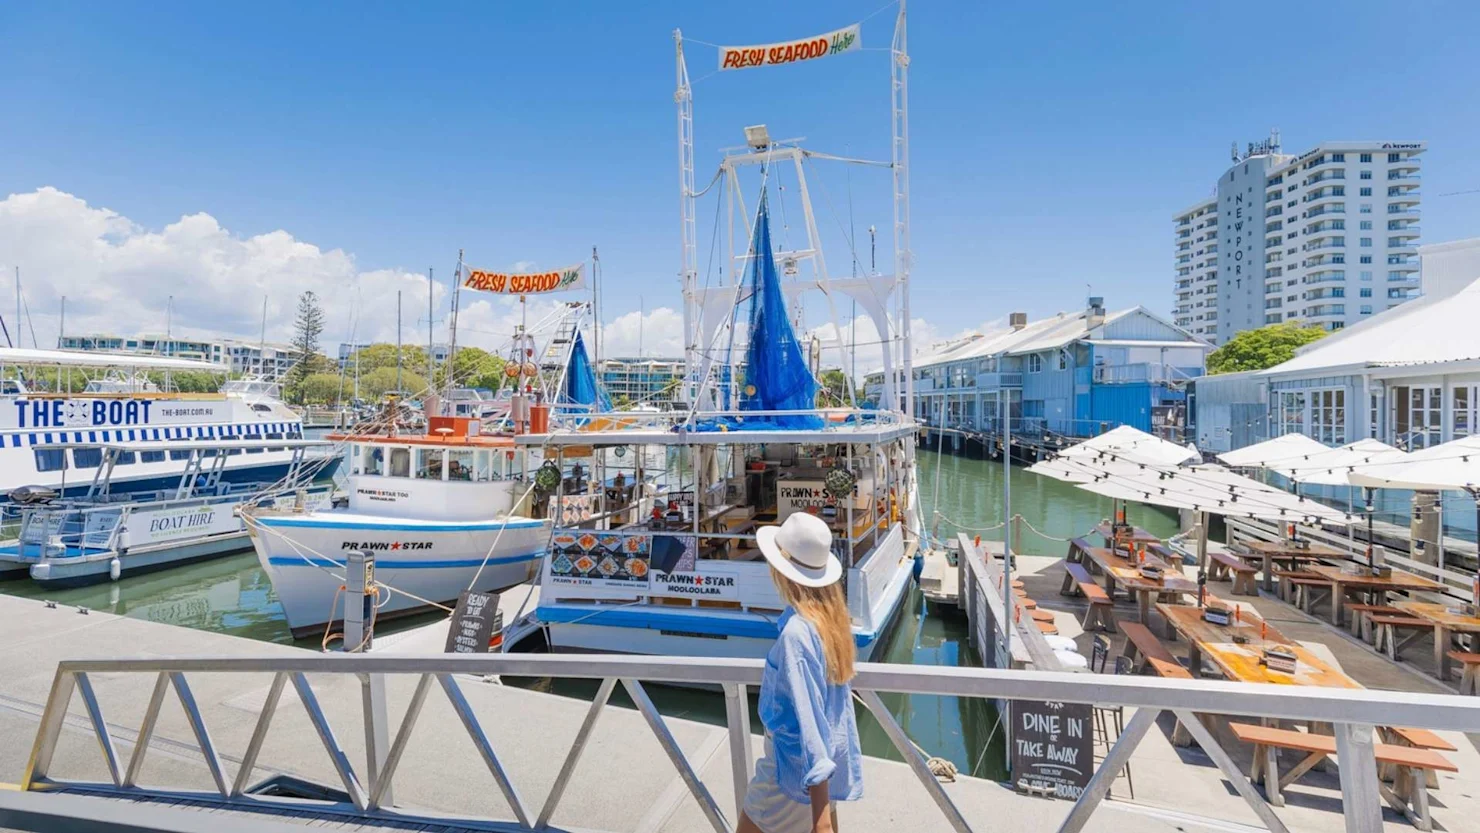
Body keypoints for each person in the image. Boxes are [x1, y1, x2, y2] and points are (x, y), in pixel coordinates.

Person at [741, 512, 862, 833]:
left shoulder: (797, 633)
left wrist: (821, 819)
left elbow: (809, 723)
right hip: (819, 776)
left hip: (789, 776)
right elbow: (836, 715)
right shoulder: (832, 625)